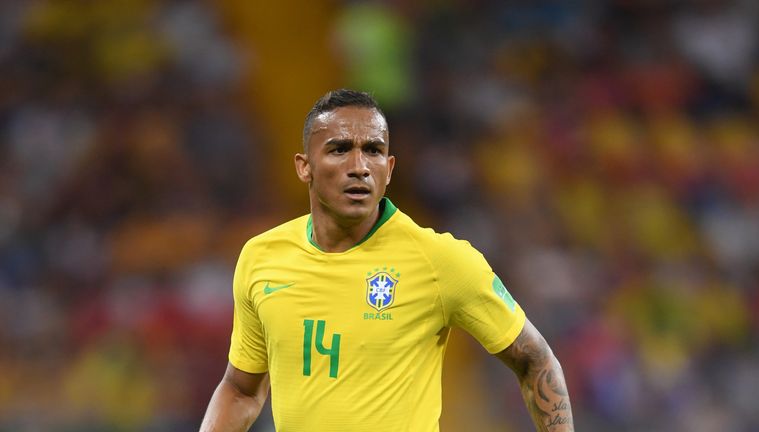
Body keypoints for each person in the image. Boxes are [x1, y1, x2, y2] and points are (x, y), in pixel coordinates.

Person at [199, 89, 574, 431]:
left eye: (373, 151)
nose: (359, 165)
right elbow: (242, 390)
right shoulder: (262, 257)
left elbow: (535, 360)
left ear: (389, 169)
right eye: (339, 149)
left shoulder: (440, 260)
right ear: (304, 166)